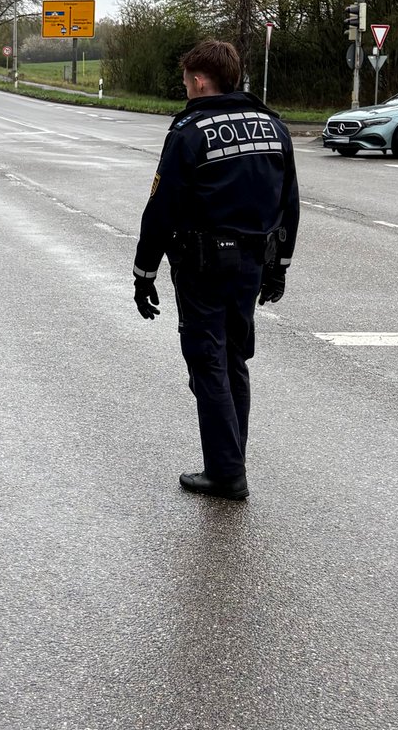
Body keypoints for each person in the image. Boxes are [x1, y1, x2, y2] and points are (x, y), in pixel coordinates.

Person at [131, 40, 299, 500]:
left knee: (207, 362)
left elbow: (162, 207)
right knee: (233, 361)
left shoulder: (190, 131)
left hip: (203, 266)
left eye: (186, 81)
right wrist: (279, 266)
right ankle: (231, 459)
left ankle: (226, 474)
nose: (185, 88)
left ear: (200, 80)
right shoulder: (273, 126)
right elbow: (289, 203)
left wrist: (144, 272)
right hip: (251, 264)